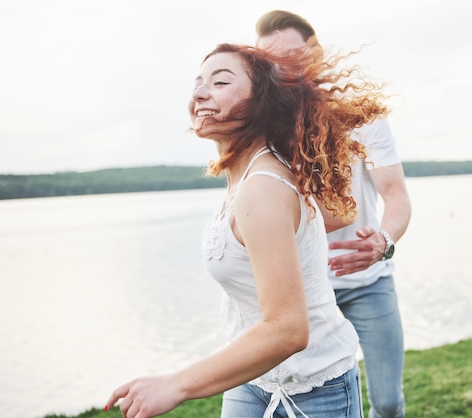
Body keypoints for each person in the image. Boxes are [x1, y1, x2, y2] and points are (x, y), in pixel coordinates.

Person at [104, 42, 391, 417]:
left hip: (315, 388)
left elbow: (289, 329)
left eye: (220, 82)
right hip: (254, 378)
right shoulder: (247, 177)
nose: (200, 92)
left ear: (261, 102)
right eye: (198, 83)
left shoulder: (263, 188)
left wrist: (175, 384)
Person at [255, 10, 412, 418]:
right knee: (298, 401)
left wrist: (384, 242)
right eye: (271, 61)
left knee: (390, 403)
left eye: (293, 56)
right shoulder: (262, 130)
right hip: (303, 294)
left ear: (316, 54)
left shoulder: (363, 117)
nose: (284, 68)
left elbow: (395, 195)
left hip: (368, 283)